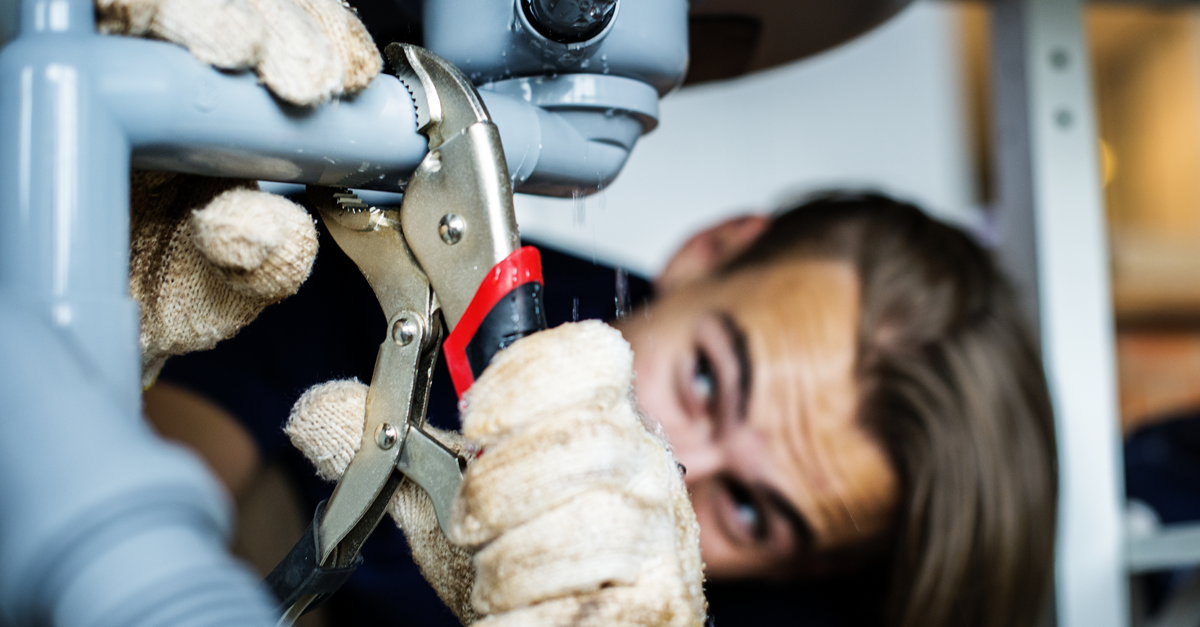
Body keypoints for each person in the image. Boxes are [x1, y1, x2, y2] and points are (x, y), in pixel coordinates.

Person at [147, 192, 1058, 627]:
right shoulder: (424, 267)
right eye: (705, 378)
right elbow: (167, 461)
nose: (665, 464)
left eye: (750, 509)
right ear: (710, 251)